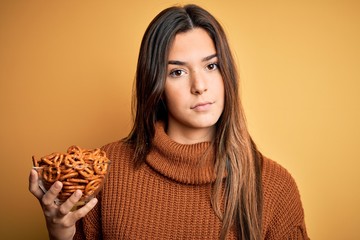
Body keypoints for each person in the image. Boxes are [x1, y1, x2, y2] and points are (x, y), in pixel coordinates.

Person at [29, 4, 309, 240]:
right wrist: (59, 233)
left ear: (227, 74)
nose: (200, 86)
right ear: (155, 85)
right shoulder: (109, 168)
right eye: (177, 72)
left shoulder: (274, 185)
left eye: (211, 66)